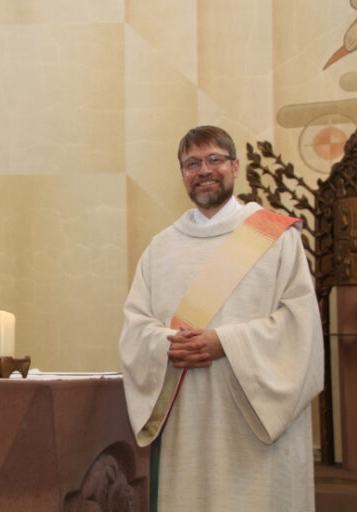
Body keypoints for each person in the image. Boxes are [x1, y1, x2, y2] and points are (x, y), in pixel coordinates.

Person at [118, 125, 323, 511]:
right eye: (192, 163)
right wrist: (166, 344)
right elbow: (136, 325)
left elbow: (302, 328)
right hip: (187, 425)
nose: (204, 170)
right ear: (182, 174)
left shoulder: (276, 238)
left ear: (236, 166)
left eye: (214, 159)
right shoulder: (161, 247)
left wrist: (224, 342)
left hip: (256, 427)